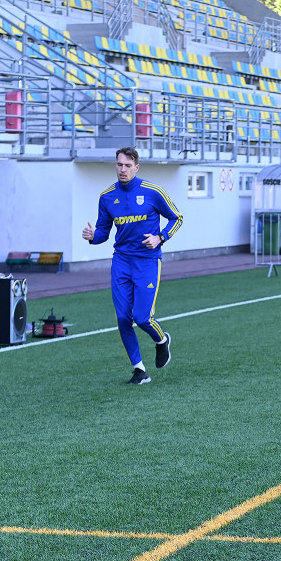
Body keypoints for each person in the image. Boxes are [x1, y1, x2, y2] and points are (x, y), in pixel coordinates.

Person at [82, 147, 183, 384]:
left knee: (142, 317)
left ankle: (161, 341)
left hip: (147, 261)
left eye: (127, 165)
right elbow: (103, 233)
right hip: (121, 262)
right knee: (123, 318)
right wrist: (91, 236)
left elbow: (177, 218)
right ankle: (139, 370)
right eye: (119, 165)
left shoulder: (152, 191)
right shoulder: (107, 196)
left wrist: (160, 237)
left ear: (136, 167)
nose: (122, 169)